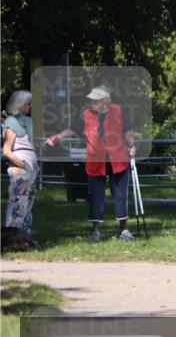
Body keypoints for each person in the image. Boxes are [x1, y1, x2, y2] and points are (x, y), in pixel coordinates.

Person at [46, 86, 137, 242]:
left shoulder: (119, 111)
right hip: (96, 160)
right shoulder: (86, 115)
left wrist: (132, 145)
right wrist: (58, 137)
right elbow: (73, 129)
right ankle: (96, 232)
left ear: (105, 102)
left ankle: (124, 230)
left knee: (121, 195)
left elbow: (127, 131)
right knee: (95, 196)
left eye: (95, 100)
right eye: (91, 100)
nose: (91, 102)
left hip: (117, 158)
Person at [3, 90, 37, 235]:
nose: (30, 106)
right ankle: (13, 236)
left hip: (30, 170)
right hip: (20, 169)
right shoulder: (11, 123)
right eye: (28, 103)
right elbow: (7, 151)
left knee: (28, 203)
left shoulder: (27, 122)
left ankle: (24, 236)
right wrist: (25, 166)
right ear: (20, 104)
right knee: (18, 202)